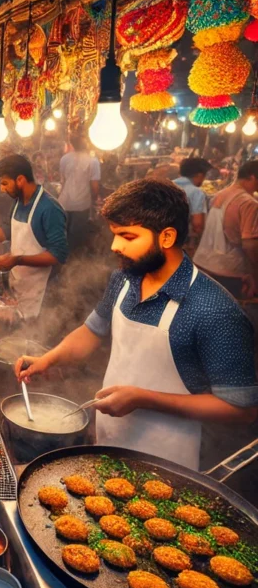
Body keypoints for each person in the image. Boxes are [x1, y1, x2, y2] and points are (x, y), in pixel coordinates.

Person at [15, 178, 258, 470]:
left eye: (128, 237)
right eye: (115, 235)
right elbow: (92, 331)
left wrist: (144, 398)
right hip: (109, 439)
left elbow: (241, 409)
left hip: (167, 462)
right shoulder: (125, 278)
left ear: (166, 237)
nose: (115, 246)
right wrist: (46, 360)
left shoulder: (214, 310)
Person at [0, 154, 68, 318]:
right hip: (18, 284)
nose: (2, 189)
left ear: (20, 180)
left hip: (41, 293)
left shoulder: (49, 209)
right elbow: (7, 230)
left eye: (5, 183)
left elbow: (58, 255)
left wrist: (18, 259)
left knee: (32, 336)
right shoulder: (19, 201)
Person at [194, 160, 258, 299]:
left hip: (203, 264)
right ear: (253, 177)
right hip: (229, 272)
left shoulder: (220, 194)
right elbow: (249, 244)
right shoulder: (249, 203)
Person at [59, 134, 101, 254]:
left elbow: (63, 181)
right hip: (81, 204)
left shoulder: (64, 159)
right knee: (76, 235)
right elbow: (94, 186)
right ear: (86, 144)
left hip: (64, 202)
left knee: (63, 233)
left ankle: (63, 260)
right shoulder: (93, 161)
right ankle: (74, 261)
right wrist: (95, 199)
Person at [174, 157, 212, 256]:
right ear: (199, 175)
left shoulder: (167, 185)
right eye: (204, 176)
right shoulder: (196, 192)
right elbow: (197, 224)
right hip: (183, 245)